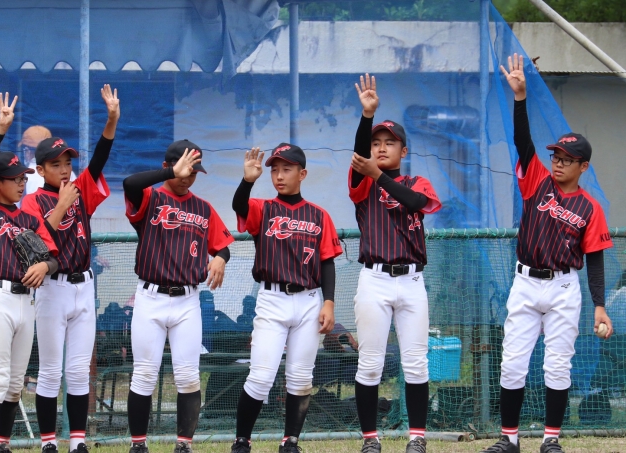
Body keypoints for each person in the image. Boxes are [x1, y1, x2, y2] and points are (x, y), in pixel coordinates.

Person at [479, 54, 614, 453]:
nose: (558, 163)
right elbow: (523, 144)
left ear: (583, 167)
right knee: (512, 362)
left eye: (567, 160)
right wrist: (520, 98)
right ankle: (509, 439)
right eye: (556, 156)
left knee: (557, 364)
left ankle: (550, 439)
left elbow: (595, 257)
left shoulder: (590, 207)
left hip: (563, 288)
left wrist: (600, 306)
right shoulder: (538, 181)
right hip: (525, 282)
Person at [20, 85, 120, 453]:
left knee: (78, 370)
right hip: (52, 289)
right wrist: (61, 205)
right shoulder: (32, 201)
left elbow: (99, 160)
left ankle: (77, 441)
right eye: (56, 164)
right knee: (50, 370)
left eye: (67, 163)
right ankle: (48, 442)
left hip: (83, 286)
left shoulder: (79, 189)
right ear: (40, 169)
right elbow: (36, 241)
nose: (64, 169)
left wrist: (111, 120)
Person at [348, 75, 442, 453]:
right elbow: (361, 162)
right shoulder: (363, 183)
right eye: (376, 143)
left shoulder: (417, 182)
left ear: (403, 151)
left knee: (416, 363)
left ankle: (416, 438)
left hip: (412, 282)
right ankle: (370, 440)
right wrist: (366, 117)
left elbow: (417, 203)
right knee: (370, 363)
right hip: (375, 281)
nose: (381, 148)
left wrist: (379, 175)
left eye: (389, 143)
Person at [122, 140, 233, 453]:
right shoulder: (151, 197)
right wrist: (171, 172)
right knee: (144, 374)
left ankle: (184, 445)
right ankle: (138, 445)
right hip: (150, 298)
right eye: (184, 170)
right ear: (166, 167)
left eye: (194, 172)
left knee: (188, 376)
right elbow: (129, 183)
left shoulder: (203, 208)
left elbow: (223, 244)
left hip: (187, 301)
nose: (188, 177)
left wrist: (221, 257)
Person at [230, 145, 342, 453]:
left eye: (287, 169)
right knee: (261, 376)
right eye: (274, 170)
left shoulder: (319, 215)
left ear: (302, 174)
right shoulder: (263, 208)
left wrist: (329, 302)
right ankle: (242, 440)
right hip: (272, 299)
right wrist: (247, 181)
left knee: (301, 377)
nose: (279, 175)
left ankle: (290, 441)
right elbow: (239, 205)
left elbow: (327, 262)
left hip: (309, 300)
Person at [0, 92, 58, 453]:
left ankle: (1, 444)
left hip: (26, 302)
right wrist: (0, 130)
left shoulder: (29, 217)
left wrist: (44, 265)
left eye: (23, 177)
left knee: (16, 383)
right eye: (15, 178)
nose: (22, 182)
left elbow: (53, 257)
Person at [19, 125, 76, 195]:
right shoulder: (70, 173)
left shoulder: (31, 175)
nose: (64, 171)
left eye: (68, 164)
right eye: (56, 165)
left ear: (27, 151)